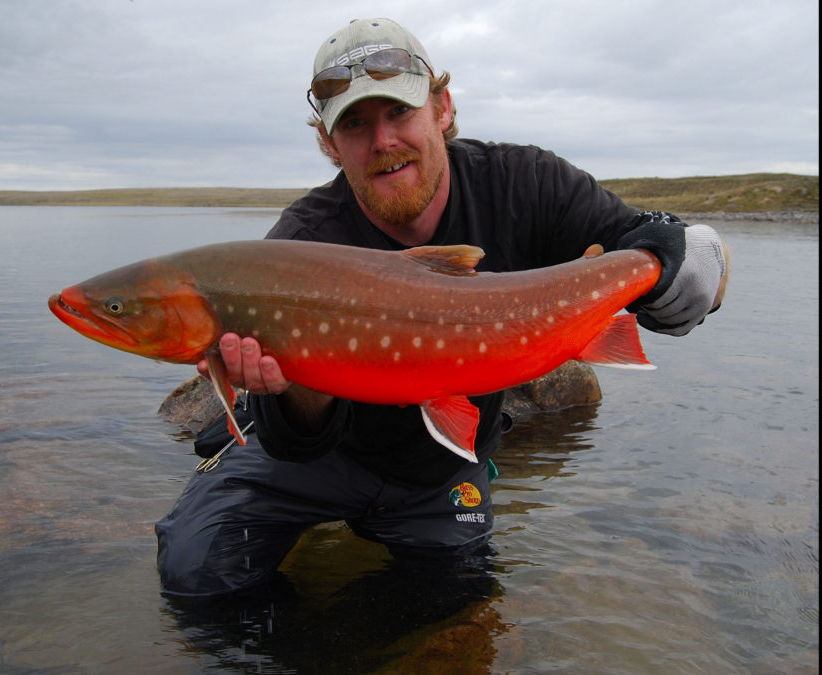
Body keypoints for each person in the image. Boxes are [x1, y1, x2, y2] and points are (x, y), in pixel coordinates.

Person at [155, 17, 728, 598]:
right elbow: (292, 444)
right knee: (195, 576)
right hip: (318, 463)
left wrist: (698, 258)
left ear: (443, 108)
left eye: (399, 113)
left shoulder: (525, 183)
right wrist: (302, 380)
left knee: (454, 604)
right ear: (330, 144)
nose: (383, 142)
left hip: (441, 467)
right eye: (355, 125)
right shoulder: (298, 249)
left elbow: (648, 239)